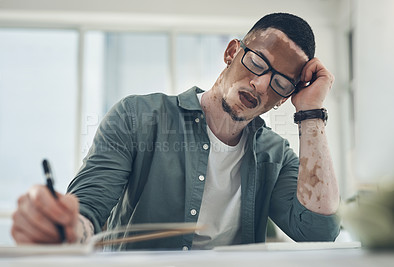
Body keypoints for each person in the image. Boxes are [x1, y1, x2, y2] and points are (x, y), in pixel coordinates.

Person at [11, 12, 340, 250]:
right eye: (256, 62)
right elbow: (88, 211)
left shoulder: (274, 154)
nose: (259, 84)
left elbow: (318, 233)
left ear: (284, 98)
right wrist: (63, 228)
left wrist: (311, 112)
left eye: (280, 83)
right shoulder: (137, 116)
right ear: (231, 53)